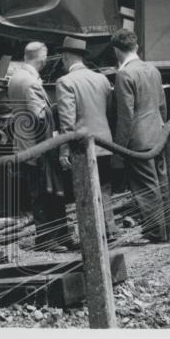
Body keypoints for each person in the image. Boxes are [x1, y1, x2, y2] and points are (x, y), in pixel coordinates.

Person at [54, 36, 120, 239]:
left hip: (82, 146)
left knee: (85, 190)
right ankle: (109, 229)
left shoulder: (65, 82)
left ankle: (92, 234)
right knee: (105, 187)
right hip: (105, 141)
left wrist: (64, 150)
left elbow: (67, 122)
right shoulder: (102, 79)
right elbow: (110, 112)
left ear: (65, 58)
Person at [110, 29, 170, 244]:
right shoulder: (153, 70)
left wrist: (119, 149)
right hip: (158, 136)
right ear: (136, 48)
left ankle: (155, 232)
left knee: (145, 188)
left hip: (138, 141)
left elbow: (125, 116)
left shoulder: (124, 75)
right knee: (162, 183)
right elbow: (162, 106)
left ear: (117, 51)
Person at [7, 41, 68, 249]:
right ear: (42, 59)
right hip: (38, 146)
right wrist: (59, 110)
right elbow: (39, 116)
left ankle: (56, 237)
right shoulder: (31, 82)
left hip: (23, 144)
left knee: (39, 192)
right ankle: (48, 239)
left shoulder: (15, 77)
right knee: (46, 193)